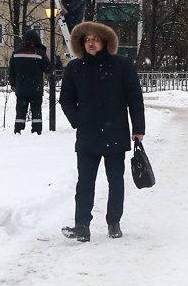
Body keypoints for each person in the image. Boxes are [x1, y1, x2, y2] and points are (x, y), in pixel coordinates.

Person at [59, 21, 145, 242]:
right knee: (85, 181)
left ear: (105, 42)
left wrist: (138, 128)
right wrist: (77, 119)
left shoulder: (122, 65)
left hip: (114, 131)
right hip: (87, 135)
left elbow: (134, 97)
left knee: (115, 179)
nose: (91, 43)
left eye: (95, 39)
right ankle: (82, 226)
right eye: (87, 39)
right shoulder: (75, 68)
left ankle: (114, 221)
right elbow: (66, 99)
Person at [7, 29, 52, 135]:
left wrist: (13, 84)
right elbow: (48, 69)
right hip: (36, 89)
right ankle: (37, 131)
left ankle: (18, 130)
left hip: (21, 88)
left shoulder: (16, 54)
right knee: (36, 110)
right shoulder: (39, 54)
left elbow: (11, 71)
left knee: (20, 110)